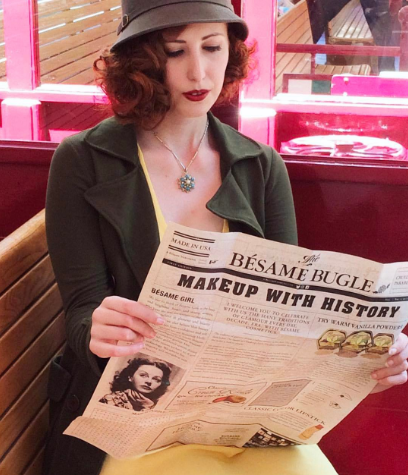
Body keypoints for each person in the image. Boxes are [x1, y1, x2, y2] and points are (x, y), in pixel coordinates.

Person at [43, 1, 408, 475]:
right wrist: (100, 330)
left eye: (213, 47)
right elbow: (81, 311)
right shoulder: (83, 159)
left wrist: (365, 359)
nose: (199, 71)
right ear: (141, 61)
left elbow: (290, 317)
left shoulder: (261, 165)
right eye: (175, 51)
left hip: (246, 419)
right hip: (136, 422)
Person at [99, 358, 171, 411]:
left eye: (156, 379)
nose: (149, 381)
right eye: (143, 375)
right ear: (130, 377)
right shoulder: (112, 399)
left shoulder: (154, 404)